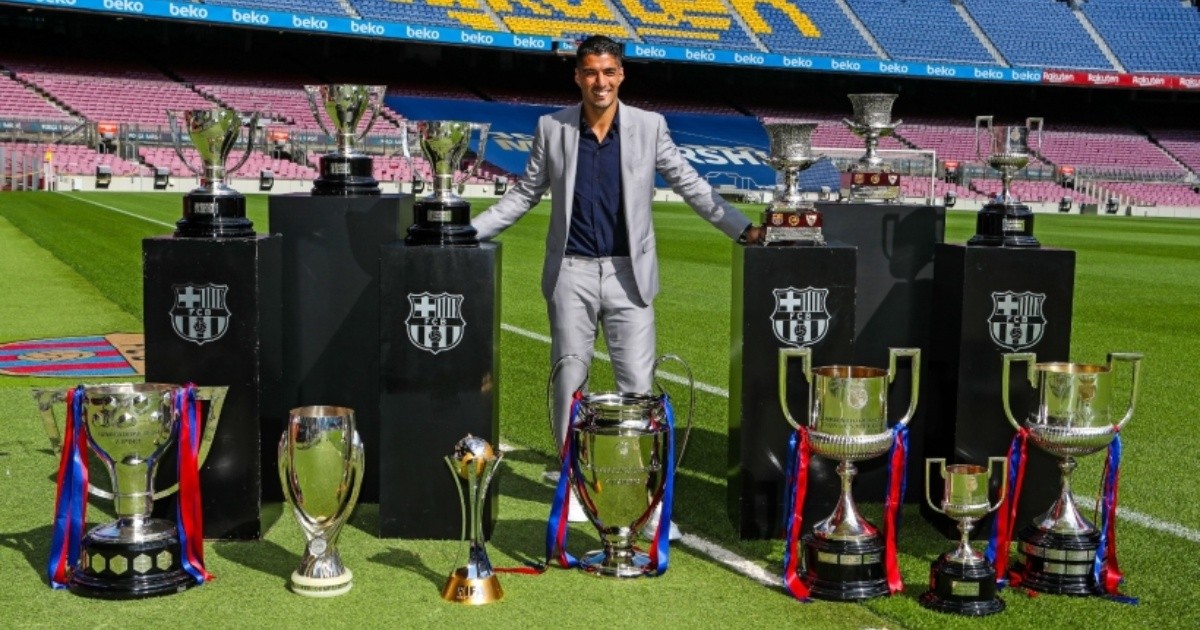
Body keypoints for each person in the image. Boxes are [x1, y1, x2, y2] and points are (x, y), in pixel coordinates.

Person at [471, 35, 764, 536]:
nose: (600, 81)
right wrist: (464, 230)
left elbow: (690, 183)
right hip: (572, 272)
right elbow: (523, 194)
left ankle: (642, 502)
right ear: (578, 76)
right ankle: (578, 489)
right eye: (590, 72)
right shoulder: (552, 128)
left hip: (630, 274)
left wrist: (742, 228)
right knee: (570, 386)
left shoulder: (650, 127)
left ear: (621, 74)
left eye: (608, 72)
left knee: (638, 389)